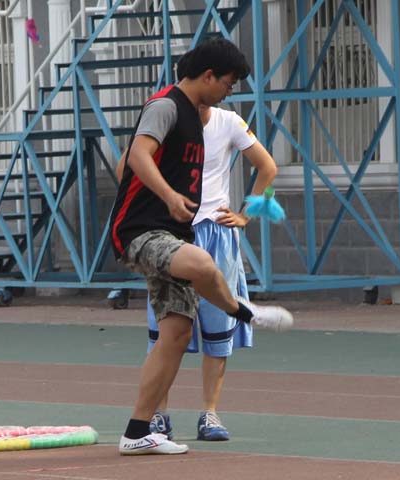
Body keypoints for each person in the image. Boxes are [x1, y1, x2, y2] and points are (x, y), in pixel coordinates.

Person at [109, 38, 293, 456]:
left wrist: (245, 213)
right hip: (140, 230)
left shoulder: (207, 118)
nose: (229, 91)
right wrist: (168, 196)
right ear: (208, 76)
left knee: (176, 333)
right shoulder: (165, 106)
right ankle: (245, 311)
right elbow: (136, 157)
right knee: (203, 265)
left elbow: (266, 166)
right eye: (227, 83)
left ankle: (138, 432)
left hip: (178, 233)